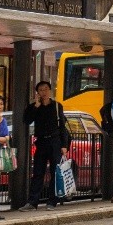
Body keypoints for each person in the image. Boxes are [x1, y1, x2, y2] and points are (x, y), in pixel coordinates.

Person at [19, 81, 69, 211]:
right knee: (38, 172)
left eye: (46, 89)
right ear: (37, 93)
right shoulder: (34, 107)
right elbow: (27, 120)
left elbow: (62, 126)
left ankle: (52, 201)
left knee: (55, 172)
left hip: (55, 142)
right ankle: (32, 202)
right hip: (41, 142)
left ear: (50, 90)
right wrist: (35, 106)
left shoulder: (57, 106)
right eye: (41, 90)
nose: (44, 92)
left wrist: (64, 145)